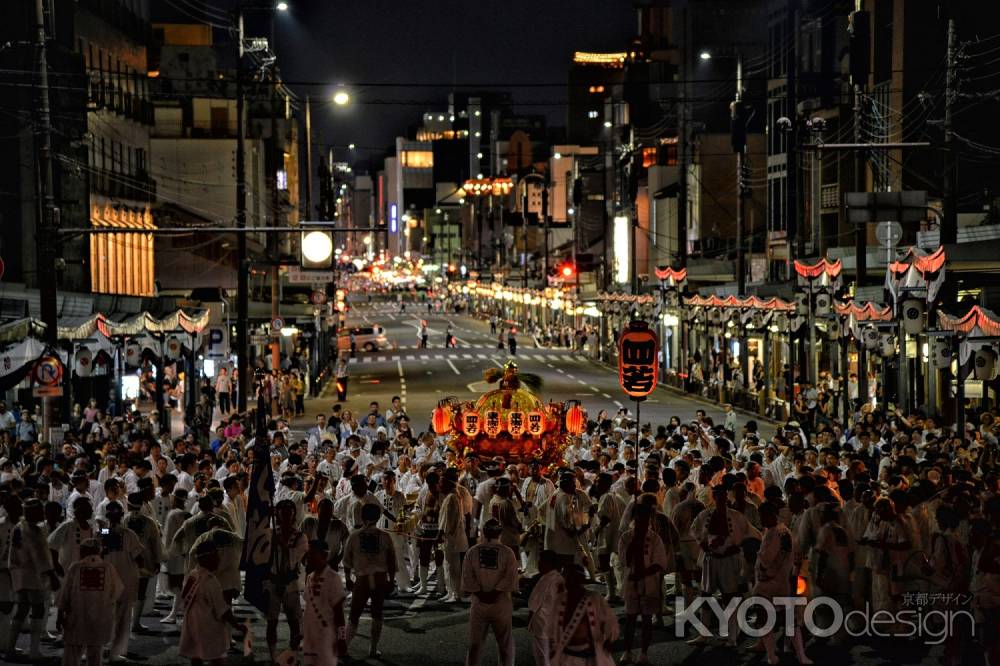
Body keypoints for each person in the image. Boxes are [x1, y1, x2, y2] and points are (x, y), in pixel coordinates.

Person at [56, 537, 124, 666]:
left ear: (84, 551)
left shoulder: (76, 567)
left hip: (77, 617)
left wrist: (60, 616)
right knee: (95, 654)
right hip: (100, 618)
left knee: (72, 653)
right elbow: (117, 591)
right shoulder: (108, 568)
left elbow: (65, 594)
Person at [6, 498, 59, 662]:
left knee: (22, 610)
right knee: (38, 610)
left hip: (21, 574)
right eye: (41, 511)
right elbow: (40, 555)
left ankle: (10, 648)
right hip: (34, 575)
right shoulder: (34, 530)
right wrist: (52, 574)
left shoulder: (20, 526)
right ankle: (34, 651)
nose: (43, 513)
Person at [179, 540, 247, 666]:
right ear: (207, 558)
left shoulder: (193, 574)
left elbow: (183, 598)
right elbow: (223, 609)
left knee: (196, 656)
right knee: (217, 657)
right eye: (216, 556)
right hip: (209, 627)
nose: (219, 559)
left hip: (192, 624)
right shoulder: (210, 581)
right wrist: (237, 625)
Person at [342, 503, 396, 659]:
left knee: (354, 615)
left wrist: (347, 578)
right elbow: (391, 560)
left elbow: (347, 560)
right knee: (377, 614)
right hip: (379, 578)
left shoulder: (354, 536)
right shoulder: (385, 536)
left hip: (362, 579)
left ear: (362, 516)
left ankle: (344, 647)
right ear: (378, 517)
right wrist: (391, 580)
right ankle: (373, 649)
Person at [462, 518, 519, 666]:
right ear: (500, 533)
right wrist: (495, 593)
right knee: (505, 644)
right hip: (501, 603)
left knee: (475, 645)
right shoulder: (507, 553)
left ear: (483, 532)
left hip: (479, 603)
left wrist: (481, 594)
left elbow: (468, 577)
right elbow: (510, 577)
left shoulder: (472, 552)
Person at [618, 501, 669, 665]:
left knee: (647, 619)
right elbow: (624, 561)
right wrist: (634, 544)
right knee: (630, 618)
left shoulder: (655, 538)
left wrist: (642, 573)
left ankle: (644, 653)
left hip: (649, 583)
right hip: (631, 582)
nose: (643, 521)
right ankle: (627, 651)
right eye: (640, 517)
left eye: (646, 518)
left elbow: (659, 563)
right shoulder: (626, 537)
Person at [547, 563, 618, 666]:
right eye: (567, 578)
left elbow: (610, 622)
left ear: (581, 579)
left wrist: (609, 638)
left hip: (590, 657)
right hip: (566, 657)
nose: (570, 581)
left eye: (573, 578)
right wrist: (552, 647)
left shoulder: (594, 598)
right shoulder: (559, 600)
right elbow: (551, 626)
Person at [266, 499, 308, 663]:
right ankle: (272, 657)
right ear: (277, 514)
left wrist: (281, 544)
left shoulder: (300, 537)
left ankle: (293, 656)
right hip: (272, 582)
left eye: (288, 511)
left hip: (290, 583)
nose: (285, 514)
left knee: (294, 623)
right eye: (282, 511)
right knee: (272, 622)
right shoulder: (270, 534)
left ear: (293, 513)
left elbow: (294, 558)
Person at [302, 540, 349, 666]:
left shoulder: (333, 578)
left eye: (312, 553)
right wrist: (302, 633)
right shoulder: (310, 577)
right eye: (308, 553)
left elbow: (339, 611)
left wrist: (342, 638)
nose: (308, 556)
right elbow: (308, 608)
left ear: (323, 555)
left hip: (326, 635)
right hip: (310, 634)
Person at [527, 549, 564, 666]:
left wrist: (530, 616)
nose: (538, 564)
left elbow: (535, 601)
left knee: (542, 653)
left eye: (540, 562)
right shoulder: (560, 579)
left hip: (542, 620)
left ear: (548, 563)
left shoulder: (545, 579)